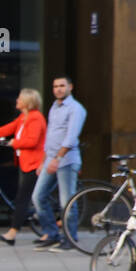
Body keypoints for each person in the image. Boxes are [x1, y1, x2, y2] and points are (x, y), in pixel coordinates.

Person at [0, 89, 46, 246]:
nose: (17, 101)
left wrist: (14, 143)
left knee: (22, 199)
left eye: (20, 99)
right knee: (28, 197)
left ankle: (12, 233)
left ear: (27, 102)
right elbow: (9, 128)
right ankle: (50, 228)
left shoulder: (35, 118)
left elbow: (32, 141)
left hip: (34, 164)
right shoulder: (24, 117)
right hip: (25, 163)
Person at [32, 76, 87, 251]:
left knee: (67, 202)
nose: (58, 89)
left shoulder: (76, 109)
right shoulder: (54, 107)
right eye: (55, 86)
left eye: (62, 86)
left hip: (67, 161)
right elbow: (49, 138)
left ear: (70, 87)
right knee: (38, 197)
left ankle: (70, 238)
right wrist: (44, 161)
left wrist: (57, 159)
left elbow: (71, 138)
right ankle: (52, 233)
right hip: (50, 160)